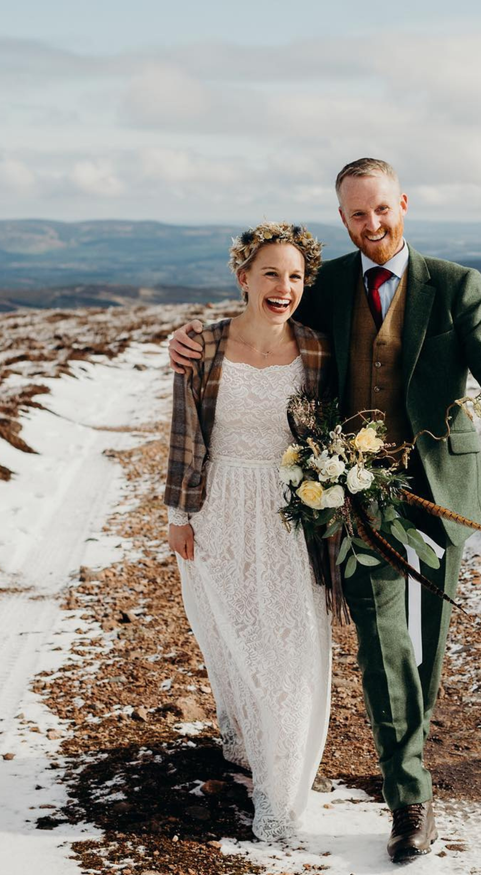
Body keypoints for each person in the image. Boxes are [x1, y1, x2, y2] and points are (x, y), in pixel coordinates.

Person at [169, 160, 481, 861]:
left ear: (403, 204)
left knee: (426, 647)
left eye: (382, 209)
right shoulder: (324, 286)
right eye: (357, 214)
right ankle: (409, 798)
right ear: (343, 219)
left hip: (440, 490)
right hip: (352, 494)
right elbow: (264, 324)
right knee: (385, 644)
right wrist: (188, 338)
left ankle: (406, 750)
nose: (372, 224)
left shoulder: (455, 285)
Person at [164, 222, 335, 842]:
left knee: (288, 646)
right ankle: (246, 739)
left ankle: (278, 786)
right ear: (243, 278)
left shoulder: (317, 348)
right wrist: (179, 517)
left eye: (295, 276)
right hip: (219, 510)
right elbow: (185, 434)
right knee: (233, 635)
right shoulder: (202, 347)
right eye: (270, 273)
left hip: (291, 511)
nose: (283, 287)